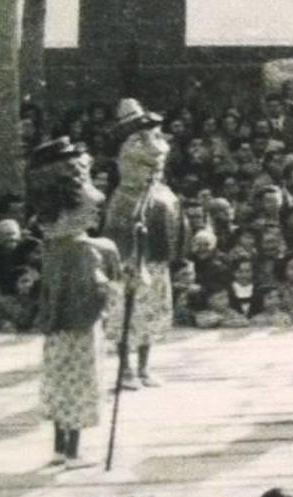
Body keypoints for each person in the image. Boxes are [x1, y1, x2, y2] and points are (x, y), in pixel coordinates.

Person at [31, 137, 120, 470]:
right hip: (81, 325)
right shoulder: (83, 249)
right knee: (80, 384)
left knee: (59, 381)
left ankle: (59, 448)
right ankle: (73, 452)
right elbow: (95, 290)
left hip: (57, 326)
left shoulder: (52, 243)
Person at [102, 98, 185, 390]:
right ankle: (126, 368)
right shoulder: (132, 146)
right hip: (130, 208)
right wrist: (152, 132)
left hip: (155, 205)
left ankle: (144, 366)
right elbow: (157, 152)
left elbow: (162, 152)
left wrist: (153, 131)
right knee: (128, 296)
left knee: (154, 293)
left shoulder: (149, 140)